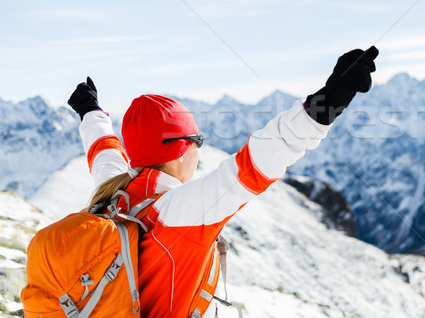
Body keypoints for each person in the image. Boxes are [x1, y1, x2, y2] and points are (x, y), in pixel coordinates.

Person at [66, 47, 378, 317]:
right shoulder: (181, 212)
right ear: (180, 148)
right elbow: (264, 155)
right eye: (197, 139)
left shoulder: (112, 195)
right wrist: (332, 97)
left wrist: (90, 111)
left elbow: (103, 149)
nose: (200, 149)